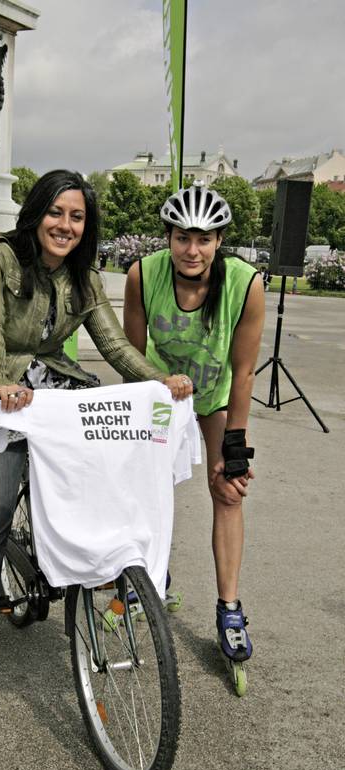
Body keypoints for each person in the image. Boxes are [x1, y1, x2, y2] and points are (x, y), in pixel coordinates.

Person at [0, 169, 193, 683]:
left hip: (51, 386)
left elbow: (115, 344)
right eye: (56, 212)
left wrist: (159, 381)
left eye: (76, 216)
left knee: (101, 475)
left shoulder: (85, 275)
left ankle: (102, 575)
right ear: (36, 213)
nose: (65, 225)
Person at [123, 184, 265, 670]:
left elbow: (243, 370)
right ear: (168, 236)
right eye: (183, 237)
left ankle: (229, 608)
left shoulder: (246, 284)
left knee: (226, 489)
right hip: (163, 390)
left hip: (217, 395)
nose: (192, 250)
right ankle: (152, 580)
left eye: (204, 239)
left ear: (220, 240)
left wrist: (235, 446)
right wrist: (152, 393)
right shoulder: (143, 275)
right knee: (149, 484)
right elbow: (131, 357)